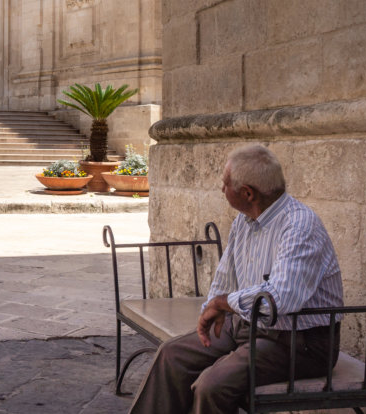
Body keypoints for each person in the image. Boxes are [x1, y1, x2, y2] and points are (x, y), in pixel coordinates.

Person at [128, 144, 344, 414]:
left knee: (212, 385)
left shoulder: (300, 226)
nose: (222, 189)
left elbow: (279, 299)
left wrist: (223, 303)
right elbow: (226, 275)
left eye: (225, 183)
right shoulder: (244, 220)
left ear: (248, 193)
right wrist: (211, 307)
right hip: (248, 326)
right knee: (171, 355)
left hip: (300, 342)